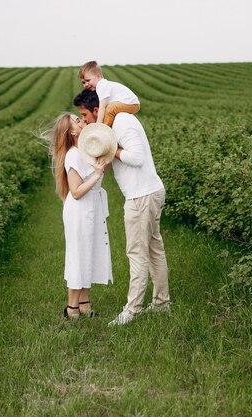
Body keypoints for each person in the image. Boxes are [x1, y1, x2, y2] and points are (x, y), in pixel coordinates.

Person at [73, 89, 170, 326]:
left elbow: (136, 157)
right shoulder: (114, 124)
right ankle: (161, 304)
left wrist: (112, 148)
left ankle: (132, 309)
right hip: (148, 191)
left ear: (97, 110)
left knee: (136, 253)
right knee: (154, 249)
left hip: (141, 196)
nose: (84, 121)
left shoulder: (122, 123)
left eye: (85, 115)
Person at [46, 112, 114, 319]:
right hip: (80, 211)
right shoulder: (73, 155)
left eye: (80, 118)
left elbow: (104, 169)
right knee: (78, 256)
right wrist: (96, 174)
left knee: (88, 254)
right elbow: (75, 191)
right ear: (72, 132)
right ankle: (71, 309)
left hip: (91, 207)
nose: (82, 121)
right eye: (77, 121)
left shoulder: (86, 151)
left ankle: (84, 305)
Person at [78, 61, 140, 128]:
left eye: (88, 80)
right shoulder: (102, 85)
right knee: (109, 109)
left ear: (98, 76)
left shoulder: (102, 86)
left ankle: (103, 129)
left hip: (131, 103)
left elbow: (102, 107)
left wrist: (98, 123)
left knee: (110, 109)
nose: (86, 84)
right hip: (130, 103)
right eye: (83, 82)